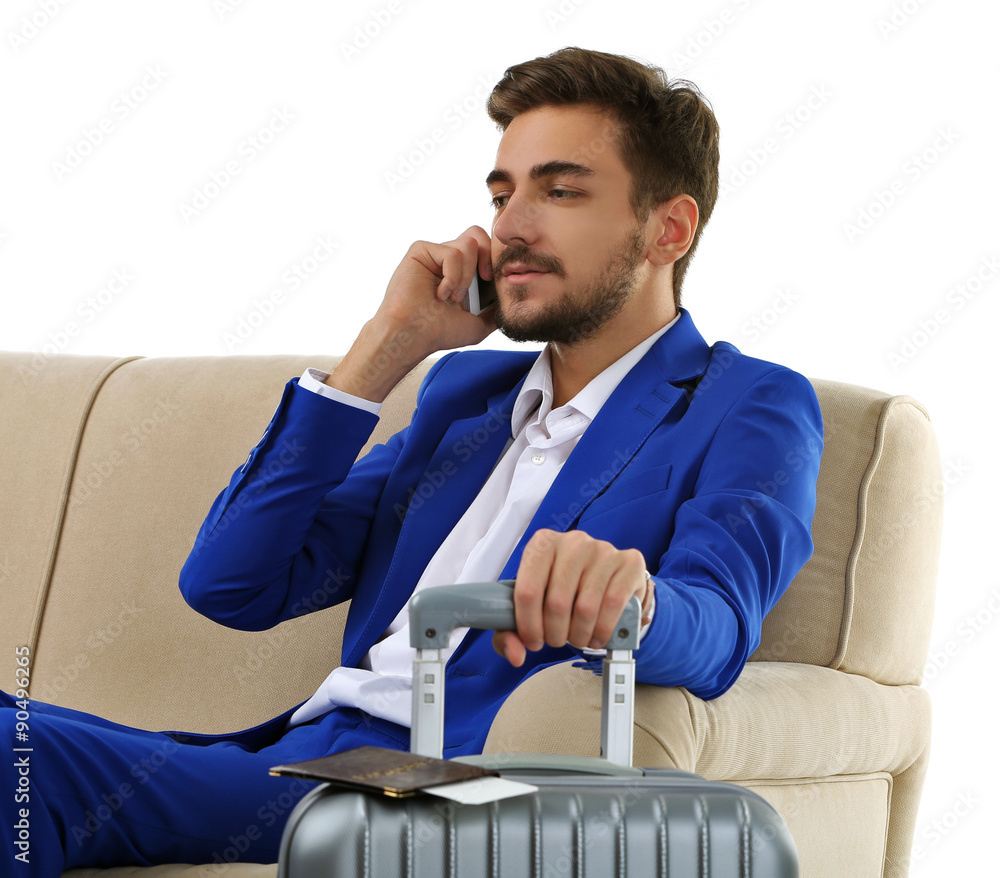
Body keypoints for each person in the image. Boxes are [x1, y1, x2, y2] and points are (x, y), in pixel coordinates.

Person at [3, 46, 822, 874]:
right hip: (305, 755)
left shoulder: (748, 402)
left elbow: (718, 627)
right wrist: (384, 351)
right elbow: (230, 583)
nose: (510, 228)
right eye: (502, 194)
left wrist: (633, 597)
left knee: (19, 764)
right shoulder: (466, 395)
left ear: (668, 228)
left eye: (560, 190)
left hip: (435, 788)